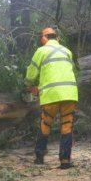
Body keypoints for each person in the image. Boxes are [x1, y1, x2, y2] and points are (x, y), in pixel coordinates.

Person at [24, 27, 78, 169]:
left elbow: (31, 73)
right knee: (67, 125)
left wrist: (29, 85)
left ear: (43, 39)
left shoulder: (41, 51)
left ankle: (39, 158)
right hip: (70, 93)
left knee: (45, 124)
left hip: (51, 95)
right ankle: (65, 161)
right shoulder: (67, 51)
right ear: (58, 39)